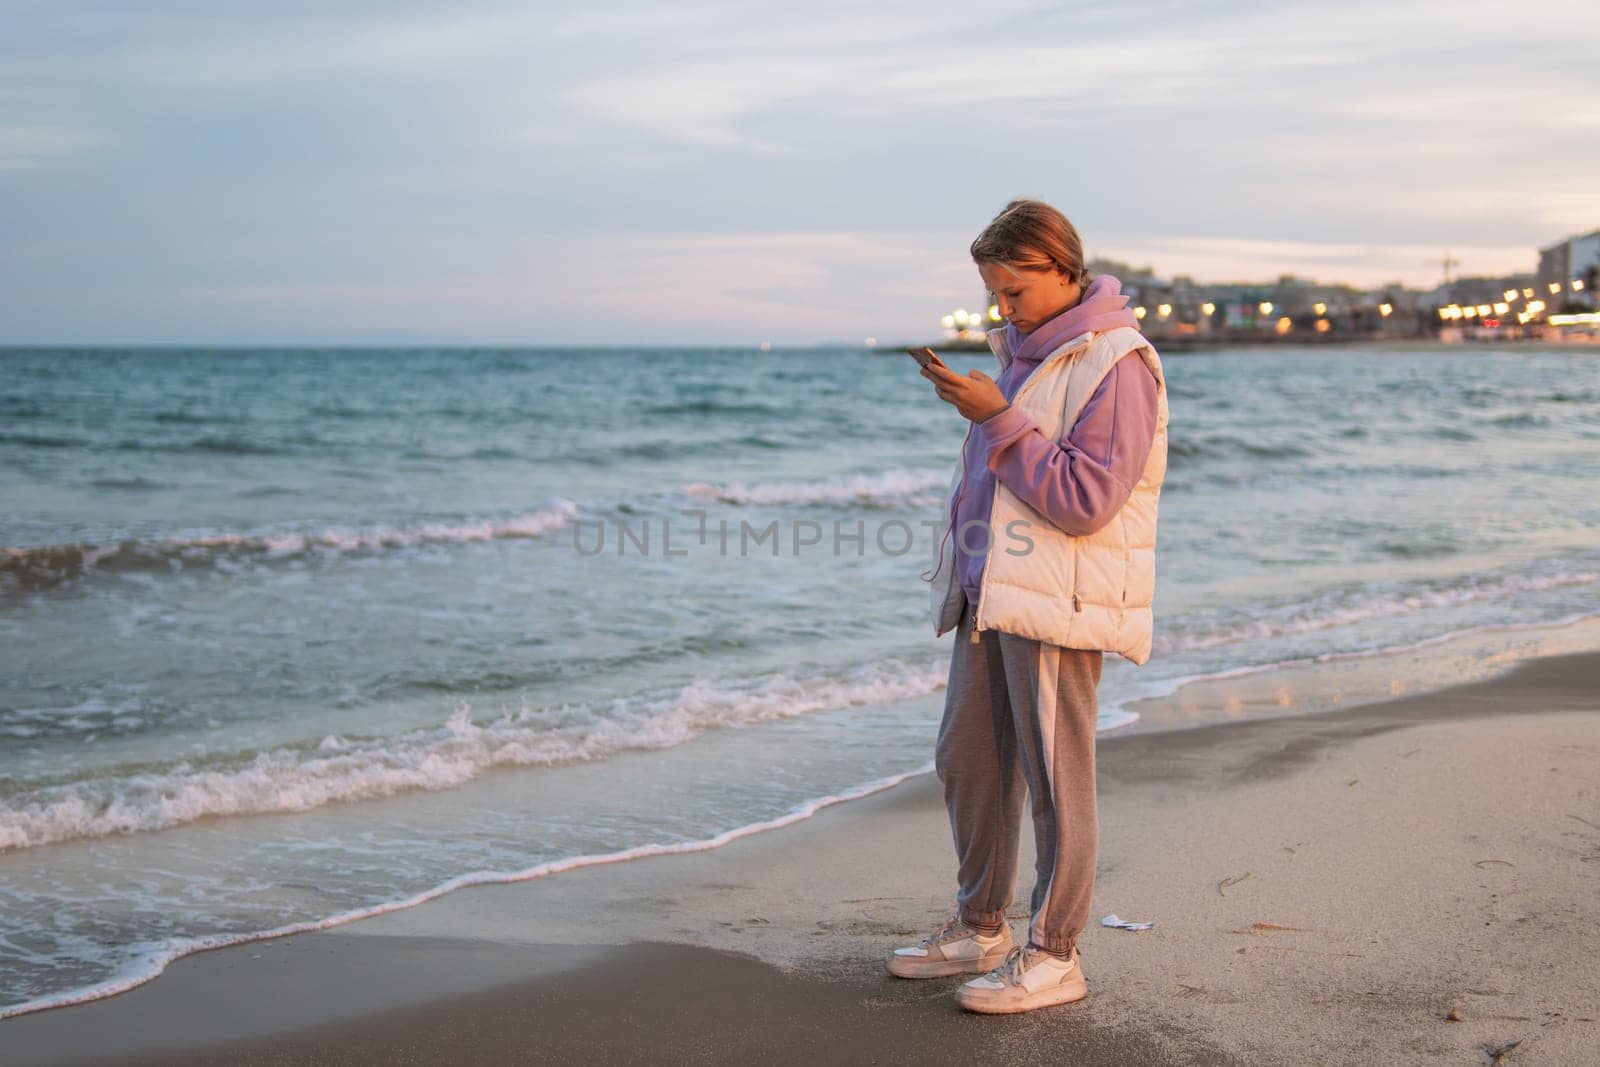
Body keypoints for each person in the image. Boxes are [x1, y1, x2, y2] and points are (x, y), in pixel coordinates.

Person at [887, 199, 1169, 1014]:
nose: (1001, 308)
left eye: (1014, 290)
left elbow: (1087, 497)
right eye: (993, 294)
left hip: (1057, 599)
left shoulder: (1115, 360)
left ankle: (1056, 953)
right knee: (967, 759)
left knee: (1055, 779)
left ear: (1063, 267)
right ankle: (982, 927)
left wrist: (998, 418)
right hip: (991, 590)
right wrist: (989, 409)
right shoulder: (1026, 354)